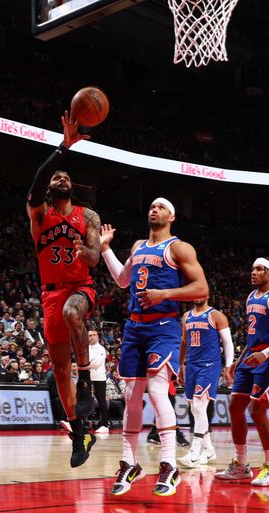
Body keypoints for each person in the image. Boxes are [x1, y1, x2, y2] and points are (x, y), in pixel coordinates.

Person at [101, 197, 209, 497]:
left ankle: (168, 463)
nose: (154, 209)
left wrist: (165, 294)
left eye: (161, 207)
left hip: (164, 325)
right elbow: (123, 281)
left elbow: (202, 289)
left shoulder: (179, 248)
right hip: (135, 327)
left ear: (171, 216)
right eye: (151, 206)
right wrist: (105, 249)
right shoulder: (137, 246)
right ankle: (129, 462)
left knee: (159, 391)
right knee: (132, 396)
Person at [26, 111, 101, 467]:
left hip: (79, 288)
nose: (60, 177)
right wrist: (63, 148)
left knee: (74, 312)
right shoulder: (40, 214)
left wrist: (85, 250)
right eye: (57, 176)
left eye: (66, 175)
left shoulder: (87, 217)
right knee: (58, 371)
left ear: (72, 188)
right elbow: (38, 179)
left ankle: (85, 377)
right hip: (50, 294)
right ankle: (79, 430)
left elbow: (95, 258)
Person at [215, 258, 269, 487]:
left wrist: (266, 354)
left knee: (257, 410)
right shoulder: (251, 297)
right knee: (234, 408)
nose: (253, 272)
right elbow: (252, 335)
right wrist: (238, 361)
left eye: (259, 269)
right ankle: (241, 465)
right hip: (251, 357)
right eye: (252, 268)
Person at [178, 297, 234, 468]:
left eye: (201, 292)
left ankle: (194, 452)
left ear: (207, 295)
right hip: (192, 365)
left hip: (210, 365)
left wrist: (228, 365)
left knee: (200, 405)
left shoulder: (216, 315)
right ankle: (208, 450)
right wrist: (180, 363)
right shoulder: (186, 316)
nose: (197, 295)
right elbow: (184, 342)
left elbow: (227, 342)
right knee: (194, 408)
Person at [88, 329, 109, 433]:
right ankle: (84, 423)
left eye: (94, 335)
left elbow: (96, 364)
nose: (91, 337)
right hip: (88, 378)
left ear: (97, 337)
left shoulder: (101, 349)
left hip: (99, 378)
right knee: (84, 400)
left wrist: (84, 366)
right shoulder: (86, 348)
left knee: (101, 401)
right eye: (90, 335)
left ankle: (105, 424)